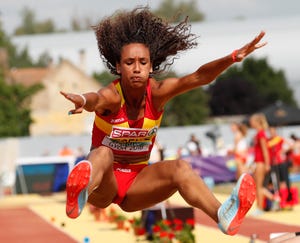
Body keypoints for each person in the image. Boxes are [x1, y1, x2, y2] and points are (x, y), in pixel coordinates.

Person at [60, 7, 266, 236]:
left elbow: (198, 77)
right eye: (129, 62)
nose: (137, 68)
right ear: (118, 66)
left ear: (151, 66)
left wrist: (232, 58)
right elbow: (95, 99)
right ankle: (78, 193)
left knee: (180, 167)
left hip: (138, 183)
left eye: (143, 62)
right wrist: (81, 99)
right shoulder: (112, 96)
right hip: (105, 185)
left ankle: (222, 215)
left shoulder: (157, 94)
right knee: (103, 154)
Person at [249, 113, 278, 215]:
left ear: (257, 122)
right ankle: (272, 199)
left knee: (259, 186)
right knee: (258, 186)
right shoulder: (259, 134)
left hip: (261, 163)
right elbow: (258, 151)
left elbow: (265, 150)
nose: (250, 123)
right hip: (258, 162)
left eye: (252, 121)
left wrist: (267, 164)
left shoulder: (261, 133)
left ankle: (260, 208)